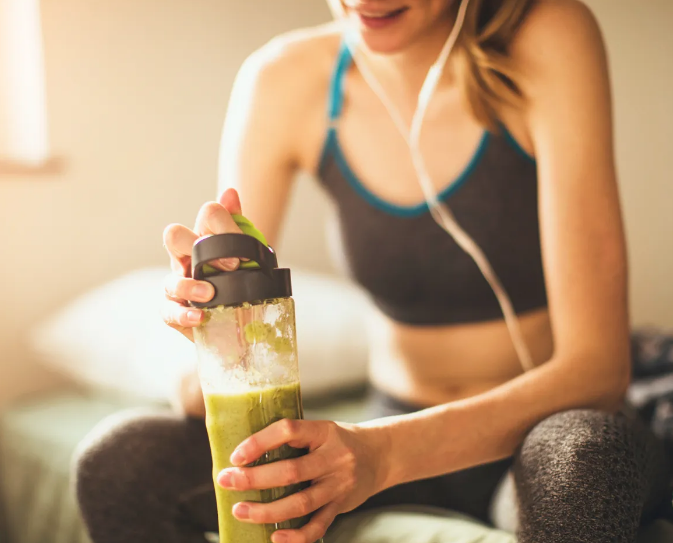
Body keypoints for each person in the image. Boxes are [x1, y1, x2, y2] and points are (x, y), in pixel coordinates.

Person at [74, 1, 673, 542]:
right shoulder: (282, 80)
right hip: (387, 416)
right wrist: (211, 327)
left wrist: (383, 454)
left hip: (535, 429)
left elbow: (598, 370)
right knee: (122, 463)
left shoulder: (547, 34)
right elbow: (209, 372)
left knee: (585, 462)